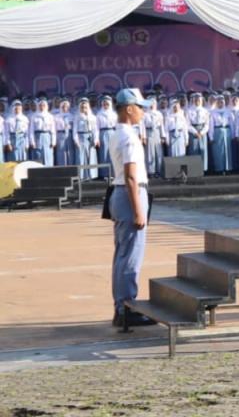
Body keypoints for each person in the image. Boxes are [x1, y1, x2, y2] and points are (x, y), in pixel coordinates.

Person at [109, 88, 157, 327]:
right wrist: (139, 210)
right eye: (140, 107)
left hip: (120, 194)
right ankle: (127, 306)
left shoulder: (117, 133)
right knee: (131, 257)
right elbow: (130, 176)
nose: (143, 112)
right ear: (129, 109)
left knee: (122, 254)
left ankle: (121, 307)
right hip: (131, 194)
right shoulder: (128, 136)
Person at [72, 98, 99, 179]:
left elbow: (95, 130)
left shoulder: (93, 117)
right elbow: (74, 130)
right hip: (81, 137)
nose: (84, 109)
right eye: (82, 107)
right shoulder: (77, 117)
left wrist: (96, 139)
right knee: (81, 156)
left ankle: (92, 175)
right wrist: (76, 140)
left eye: (85, 107)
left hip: (90, 137)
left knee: (90, 156)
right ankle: (82, 176)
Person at [186, 93, 210, 173]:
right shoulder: (189, 111)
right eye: (196, 100)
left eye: (199, 100)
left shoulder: (205, 111)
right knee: (194, 150)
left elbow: (207, 124)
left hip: (202, 131)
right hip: (193, 131)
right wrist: (195, 132)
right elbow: (187, 124)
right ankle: (194, 169)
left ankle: (203, 169)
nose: (197, 101)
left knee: (202, 150)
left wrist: (202, 132)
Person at [28, 98, 56, 166]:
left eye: (44, 105)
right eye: (40, 105)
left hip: (47, 136)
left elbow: (53, 130)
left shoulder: (50, 116)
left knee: (48, 155)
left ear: (46, 106)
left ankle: (49, 174)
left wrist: (53, 141)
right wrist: (32, 142)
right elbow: (31, 130)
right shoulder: (34, 116)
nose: (42, 107)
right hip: (38, 136)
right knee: (38, 155)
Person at [143, 98, 166, 178]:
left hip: (157, 132)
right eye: (150, 104)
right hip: (149, 133)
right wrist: (144, 137)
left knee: (158, 152)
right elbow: (143, 127)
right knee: (150, 152)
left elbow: (162, 125)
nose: (152, 105)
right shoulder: (145, 114)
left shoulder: (159, 114)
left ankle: (158, 170)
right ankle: (151, 171)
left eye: (153, 104)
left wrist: (163, 136)